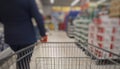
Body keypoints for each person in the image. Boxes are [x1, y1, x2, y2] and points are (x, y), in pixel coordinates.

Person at [0, 0, 47, 69]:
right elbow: (38, 17)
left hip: (11, 38)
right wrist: (43, 34)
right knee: (24, 61)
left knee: (21, 59)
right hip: (27, 38)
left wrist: (10, 23)